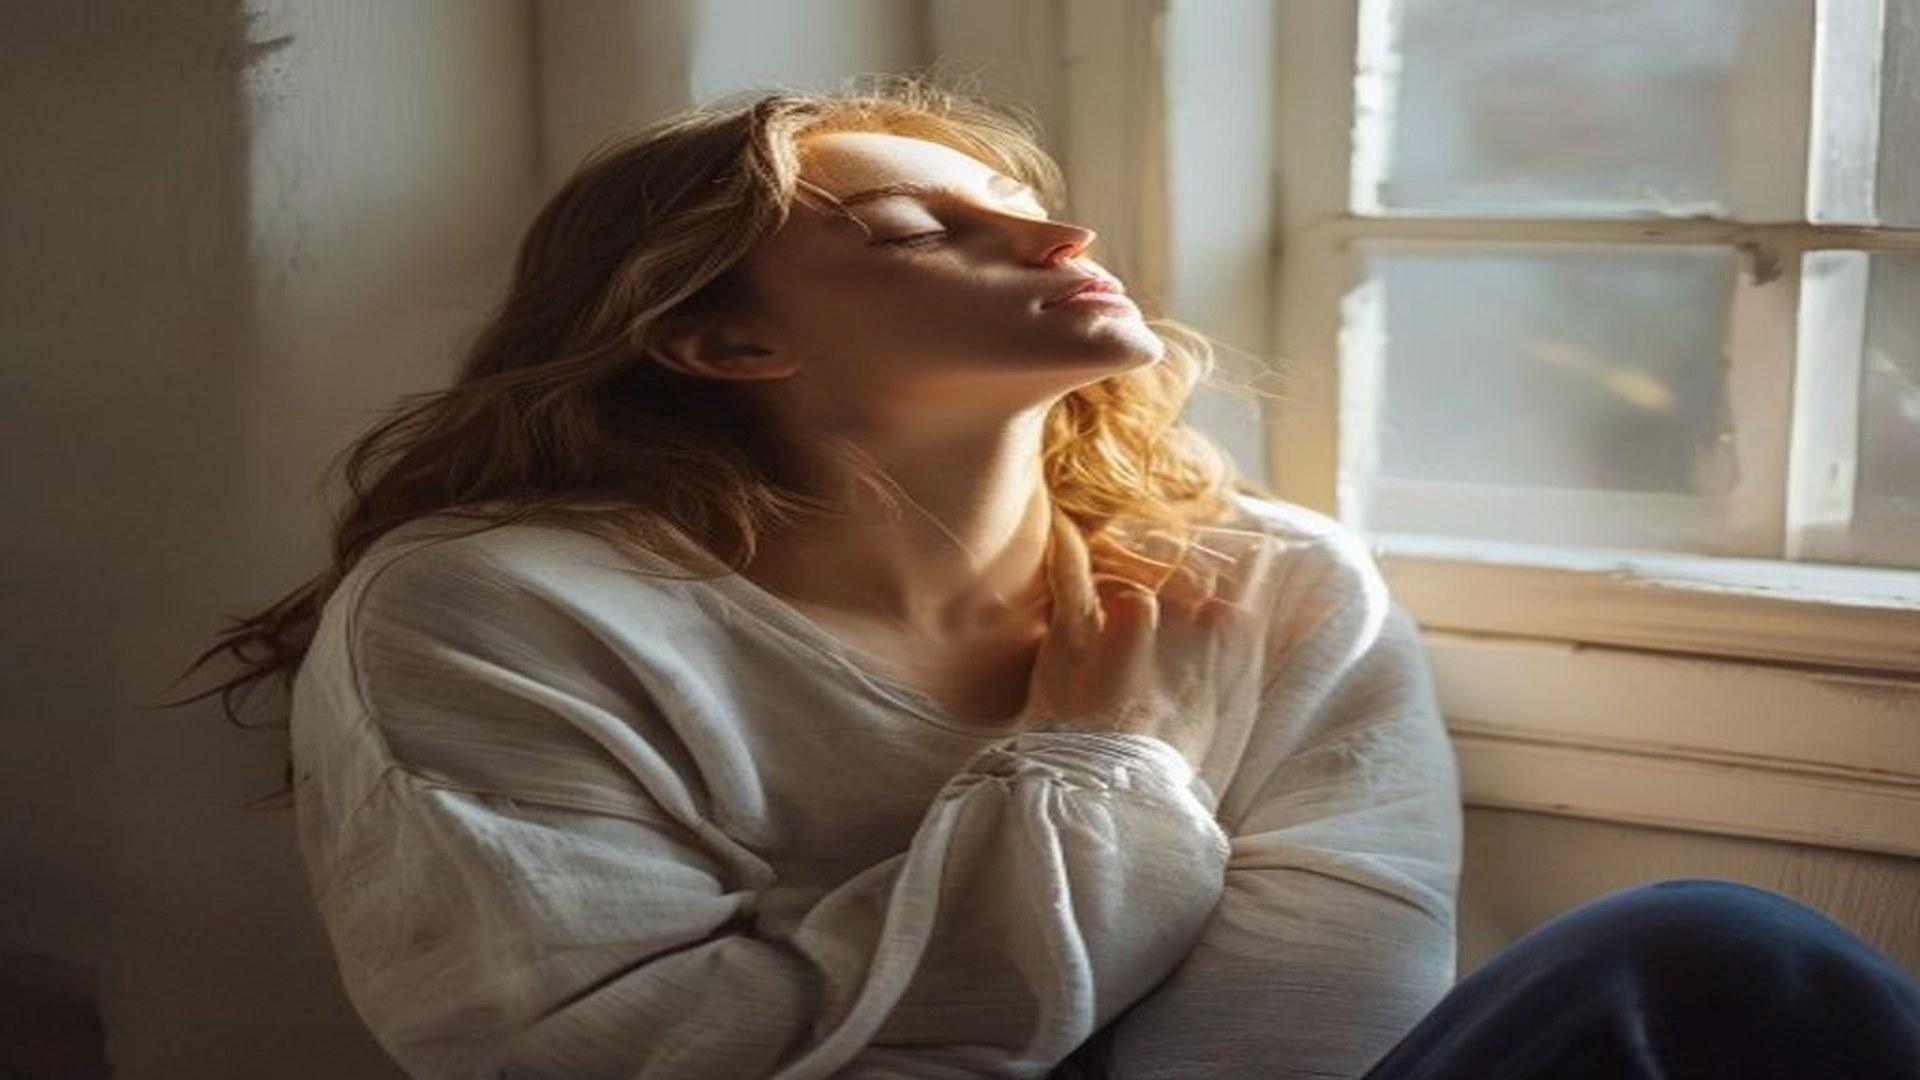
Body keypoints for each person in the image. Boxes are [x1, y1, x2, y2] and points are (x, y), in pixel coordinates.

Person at [192, 82, 1919, 1079]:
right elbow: (614, 1056)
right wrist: (1099, 773)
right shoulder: (501, 616)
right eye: (916, 228)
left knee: (1716, 954)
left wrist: (855, 984)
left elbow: (1315, 1021)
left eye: (1022, 203)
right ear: (717, 338)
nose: (1056, 236)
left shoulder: (1265, 584)